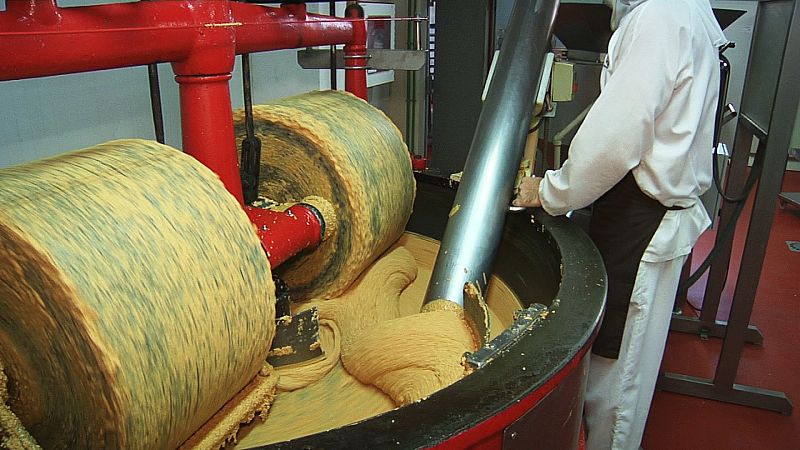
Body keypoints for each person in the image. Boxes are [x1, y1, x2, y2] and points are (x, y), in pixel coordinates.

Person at [513, 1, 727, 449]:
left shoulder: (661, 16)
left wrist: (550, 192)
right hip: (646, 207)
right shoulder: (684, 12)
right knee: (623, 361)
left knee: (617, 381)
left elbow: (615, 138)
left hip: (643, 217)